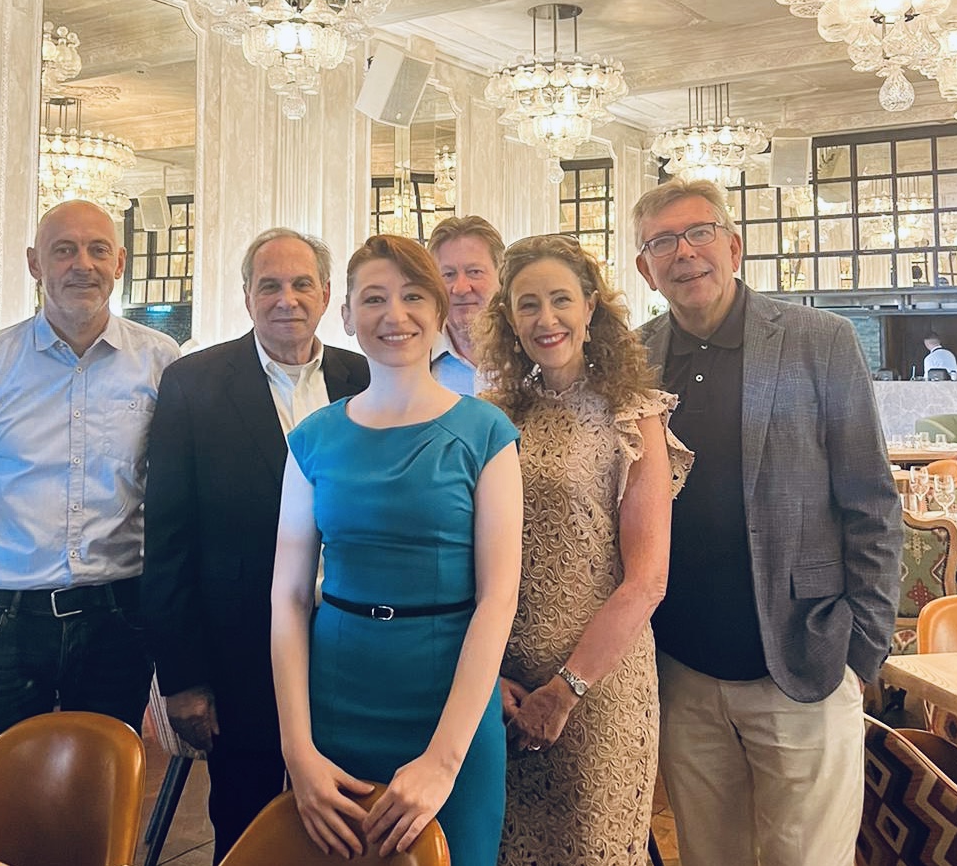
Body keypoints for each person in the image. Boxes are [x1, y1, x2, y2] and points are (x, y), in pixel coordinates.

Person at [631, 179, 902, 866]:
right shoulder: (633, 359)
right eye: (662, 241)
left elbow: (871, 500)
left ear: (734, 245)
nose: (684, 252)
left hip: (803, 662)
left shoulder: (820, 340)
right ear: (644, 267)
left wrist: (858, 650)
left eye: (698, 233)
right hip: (682, 672)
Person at [271, 234, 522, 864]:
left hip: (449, 704)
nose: (395, 314)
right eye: (374, 299)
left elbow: (498, 599)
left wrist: (442, 762)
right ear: (348, 316)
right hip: (335, 699)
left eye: (413, 296)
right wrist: (297, 749)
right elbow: (290, 597)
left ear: (438, 312)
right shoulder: (313, 438)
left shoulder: (485, 432)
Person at [142, 228, 369, 862]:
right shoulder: (194, 383)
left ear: (326, 295)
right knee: (248, 826)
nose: (286, 299)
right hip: (242, 656)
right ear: (246, 296)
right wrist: (183, 680)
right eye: (269, 285)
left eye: (301, 284)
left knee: (352, 819)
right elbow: (167, 538)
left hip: (353, 649)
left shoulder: (365, 376)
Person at [0, 200, 179, 765]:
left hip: (117, 615)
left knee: (102, 788)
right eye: (63, 249)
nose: (81, 264)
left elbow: (168, 487)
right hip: (2, 621)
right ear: (35, 263)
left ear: (120, 263)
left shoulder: (161, 361)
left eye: (96, 250)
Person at [472, 234, 691, 865]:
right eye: (528, 304)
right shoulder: (495, 414)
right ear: (508, 319)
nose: (547, 319)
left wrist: (565, 690)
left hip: (597, 689)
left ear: (591, 307)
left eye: (561, 300)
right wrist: (493, 679)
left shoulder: (633, 413)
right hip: (502, 681)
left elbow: (647, 580)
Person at [426, 215, 504, 395]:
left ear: (501, 276)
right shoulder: (416, 361)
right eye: (448, 274)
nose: (460, 288)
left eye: (474, 272)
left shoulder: (532, 356)